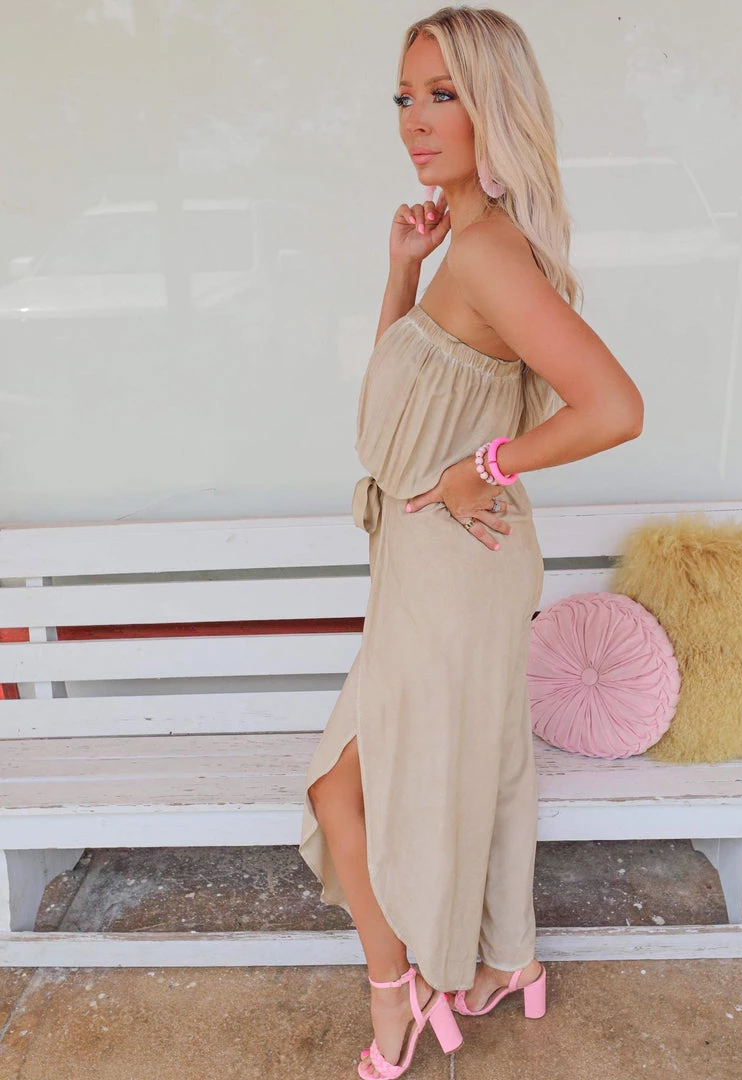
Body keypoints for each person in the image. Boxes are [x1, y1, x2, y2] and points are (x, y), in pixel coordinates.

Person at [298, 7, 644, 1078]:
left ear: (495, 107)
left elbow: (614, 407)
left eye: (443, 94)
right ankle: (504, 961)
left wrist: (481, 469)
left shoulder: (491, 252)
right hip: (428, 562)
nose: (416, 119)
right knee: (469, 768)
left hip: (454, 562)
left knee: (345, 786)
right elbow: (395, 410)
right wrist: (401, 269)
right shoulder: (461, 248)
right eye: (406, 96)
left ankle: (396, 995)